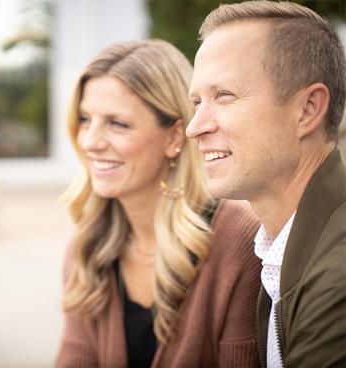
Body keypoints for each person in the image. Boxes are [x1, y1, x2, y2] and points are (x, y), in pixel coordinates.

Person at [56, 39, 261, 367]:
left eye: (117, 123)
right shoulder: (88, 247)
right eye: (84, 119)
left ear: (174, 137)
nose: (90, 142)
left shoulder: (241, 242)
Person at [186, 1, 346, 367]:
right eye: (196, 101)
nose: (195, 127)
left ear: (307, 109)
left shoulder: (338, 275)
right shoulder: (281, 247)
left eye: (224, 95)